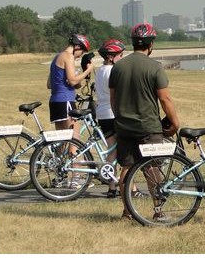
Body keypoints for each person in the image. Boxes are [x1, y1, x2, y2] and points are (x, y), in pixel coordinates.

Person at [109, 23, 180, 221]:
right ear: (151, 45)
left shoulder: (118, 67)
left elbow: (113, 99)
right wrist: (175, 123)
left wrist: (120, 117)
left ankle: (127, 211)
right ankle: (158, 211)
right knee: (152, 168)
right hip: (149, 126)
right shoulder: (155, 68)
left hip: (124, 126)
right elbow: (165, 100)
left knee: (127, 168)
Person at [94, 39, 126, 197]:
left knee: (111, 149)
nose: (122, 58)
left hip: (102, 113)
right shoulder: (113, 72)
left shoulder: (100, 71)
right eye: (121, 55)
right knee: (118, 150)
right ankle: (121, 185)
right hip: (113, 113)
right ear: (111, 57)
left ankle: (112, 186)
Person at [47, 33, 94, 135]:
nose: (80, 55)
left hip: (55, 102)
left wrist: (73, 80)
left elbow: (49, 84)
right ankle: (71, 152)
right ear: (77, 46)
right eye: (82, 52)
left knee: (61, 140)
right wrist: (88, 70)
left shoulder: (57, 57)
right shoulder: (68, 56)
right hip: (65, 100)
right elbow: (72, 81)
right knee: (74, 138)